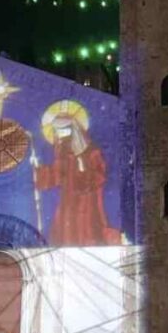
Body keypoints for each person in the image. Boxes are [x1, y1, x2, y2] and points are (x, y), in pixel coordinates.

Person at [32, 100, 121, 246]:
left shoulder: (92, 152)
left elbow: (98, 177)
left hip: (87, 204)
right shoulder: (63, 153)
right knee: (65, 234)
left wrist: (82, 169)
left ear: (75, 129)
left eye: (64, 130)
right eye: (58, 131)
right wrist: (37, 171)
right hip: (68, 204)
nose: (61, 136)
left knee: (86, 231)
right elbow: (56, 175)